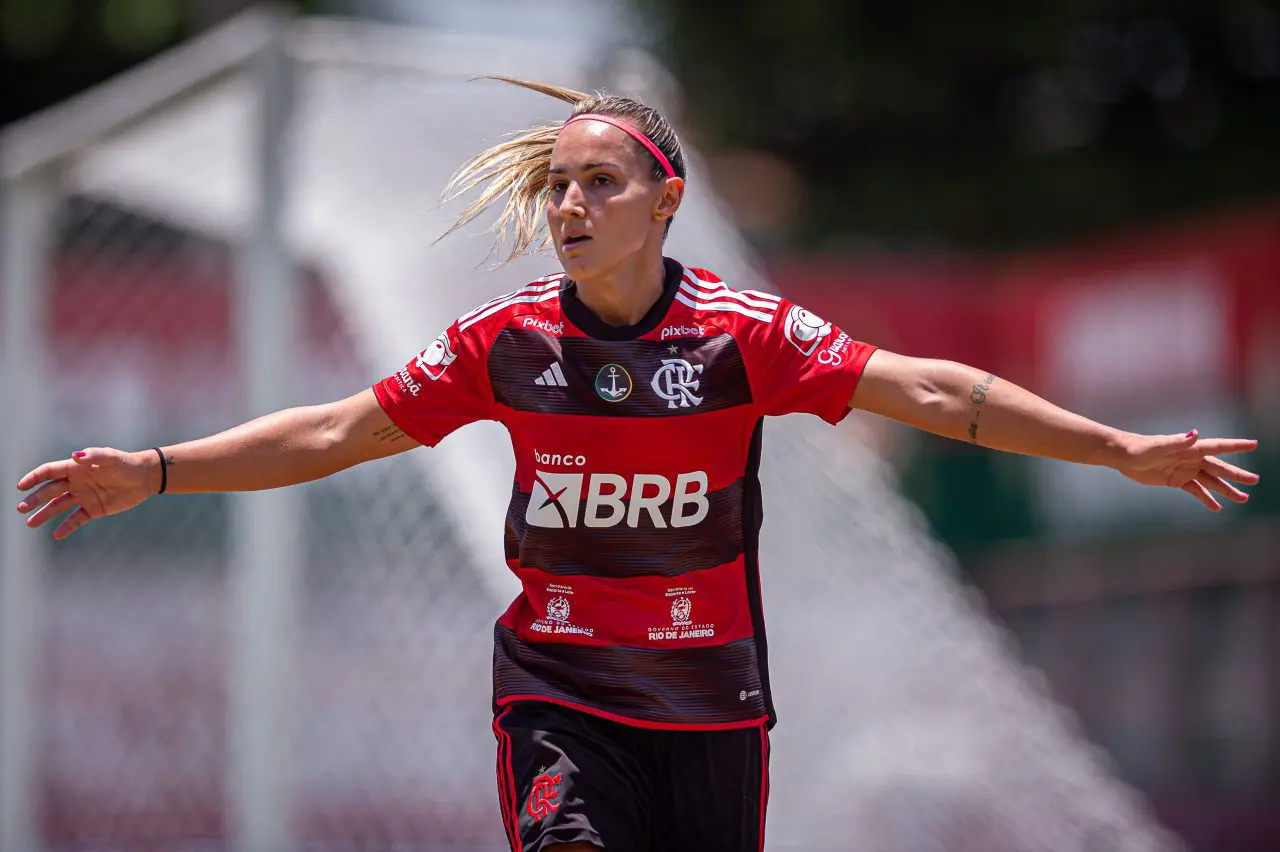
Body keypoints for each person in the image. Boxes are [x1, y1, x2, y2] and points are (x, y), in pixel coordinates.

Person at [14, 77, 1260, 852]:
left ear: (662, 204)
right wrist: (158, 470)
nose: (568, 204)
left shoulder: (742, 334)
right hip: (558, 693)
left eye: (597, 182)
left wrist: (1117, 448)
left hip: (711, 704)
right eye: (556, 186)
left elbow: (928, 388)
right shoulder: (502, 346)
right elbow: (335, 431)